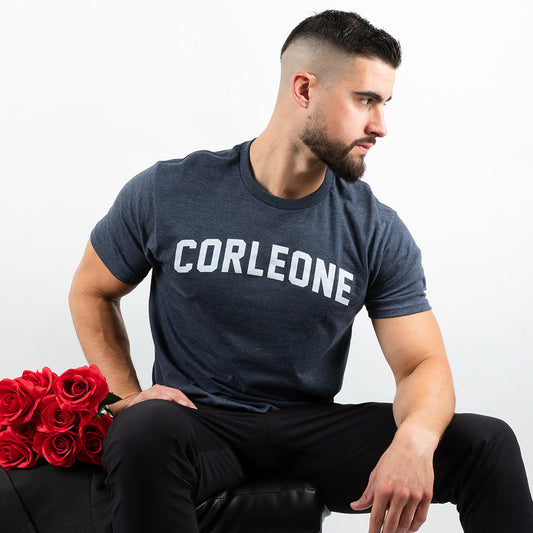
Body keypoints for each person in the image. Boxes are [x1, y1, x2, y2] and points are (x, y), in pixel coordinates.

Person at [69, 9, 533, 533]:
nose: (380, 126)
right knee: (142, 427)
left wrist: (416, 439)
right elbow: (91, 291)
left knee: (486, 443)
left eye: (384, 104)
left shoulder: (374, 228)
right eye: (366, 100)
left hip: (309, 431)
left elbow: (421, 362)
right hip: (199, 423)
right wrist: (124, 397)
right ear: (305, 89)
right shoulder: (170, 190)